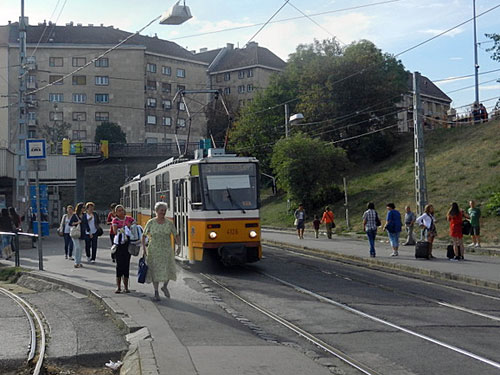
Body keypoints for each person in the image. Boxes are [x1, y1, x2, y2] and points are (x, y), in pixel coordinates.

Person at [142, 202, 180, 301]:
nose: (163, 212)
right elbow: (144, 235)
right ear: (156, 211)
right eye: (161, 210)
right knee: (155, 271)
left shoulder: (169, 223)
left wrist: (179, 246)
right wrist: (144, 249)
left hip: (166, 250)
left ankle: (165, 286)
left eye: (164, 211)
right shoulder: (151, 222)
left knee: (167, 269)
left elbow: (175, 235)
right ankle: (156, 292)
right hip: (154, 250)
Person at [112, 205, 134, 293]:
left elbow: (135, 228)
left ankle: (126, 287)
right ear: (116, 212)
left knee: (126, 265)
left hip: (127, 245)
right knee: (119, 265)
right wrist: (122, 229)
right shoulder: (115, 220)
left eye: (122, 210)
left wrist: (130, 227)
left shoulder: (129, 219)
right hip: (119, 245)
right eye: (119, 211)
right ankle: (118, 287)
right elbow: (114, 231)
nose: (121, 212)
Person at [69, 202, 88, 268]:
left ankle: (79, 262)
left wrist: (89, 231)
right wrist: (77, 222)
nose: (84, 209)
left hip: (82, 233)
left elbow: (86, 223)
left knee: (81, 249)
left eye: (84, 208)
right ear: (79, 208)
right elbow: (70, 223)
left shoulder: (84, 215)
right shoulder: (75, 215)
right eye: (83, 208)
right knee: (77, 247)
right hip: (76, 233)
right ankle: (76, 262)